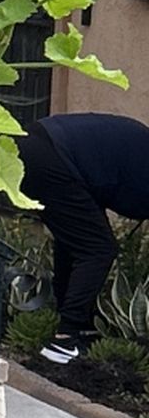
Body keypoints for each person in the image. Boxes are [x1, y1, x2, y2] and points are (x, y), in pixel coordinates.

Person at [14, 113, 149, 363]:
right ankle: (65, 339)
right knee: (99, 250)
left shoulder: (139, 146)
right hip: (54, 157)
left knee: (75, 244)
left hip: (31, 147)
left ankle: (73, 324)